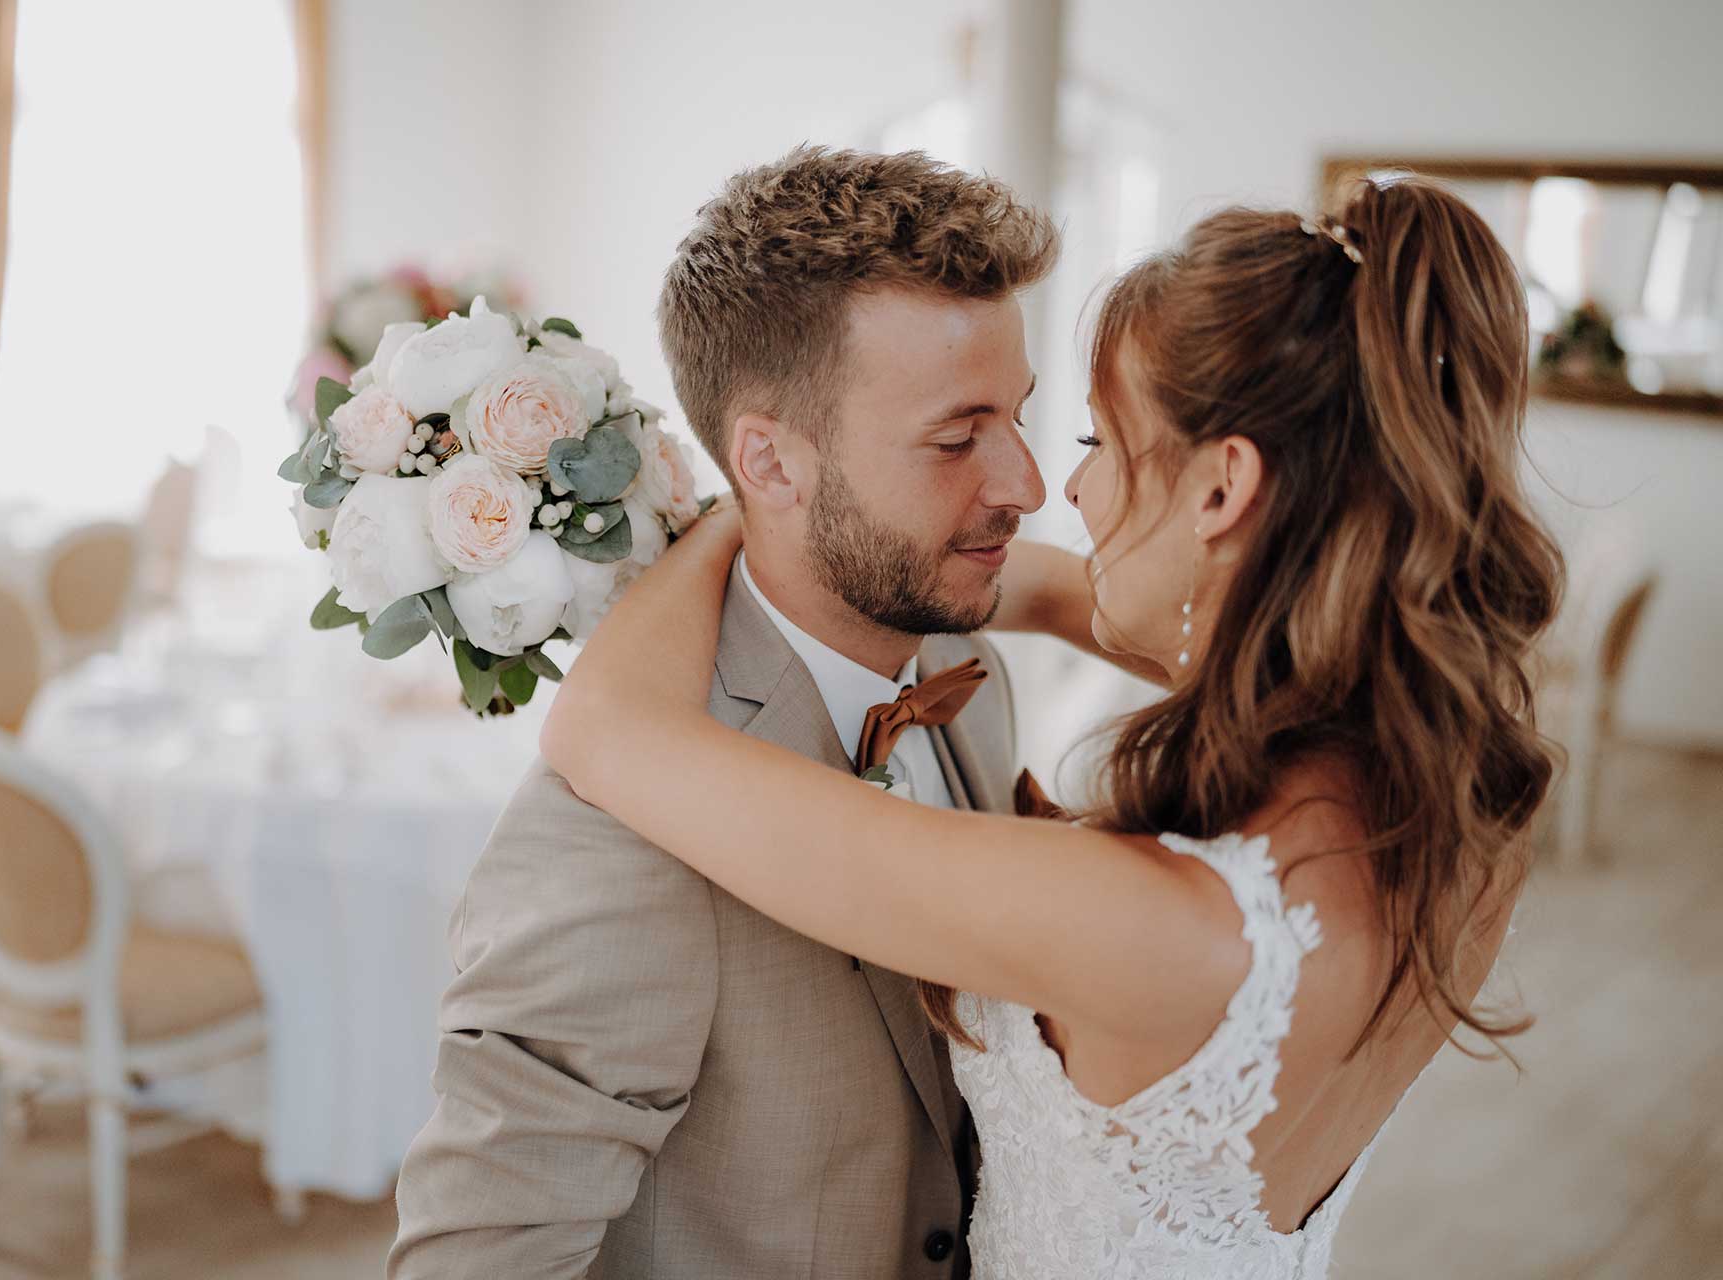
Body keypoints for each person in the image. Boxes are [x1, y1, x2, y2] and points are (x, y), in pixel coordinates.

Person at [539, 176, 1564, 1277]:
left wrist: (737, 513)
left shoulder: (1146, 920)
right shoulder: (1460, 784)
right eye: (973, 434)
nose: (1053, 487)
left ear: (1223, 491)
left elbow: (605, 728)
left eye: (1098, 439)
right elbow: (1053, 592)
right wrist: (825, 500)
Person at [390, 146, 1072, 1279]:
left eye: (1017, 415)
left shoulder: (968, 666)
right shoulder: (623, 820)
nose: (1024, 482)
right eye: (957, 437)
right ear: (767, 458)